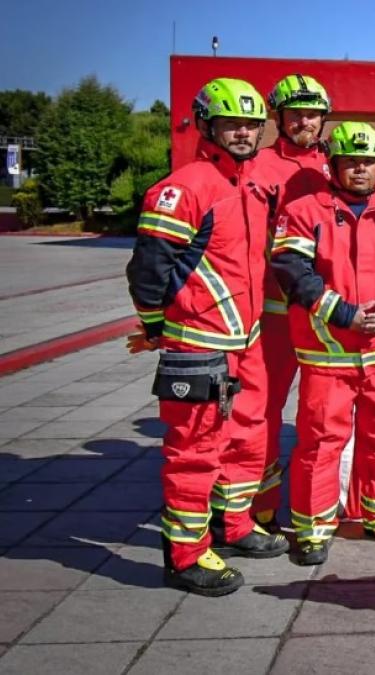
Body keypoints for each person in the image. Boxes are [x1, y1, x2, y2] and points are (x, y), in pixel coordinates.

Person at [126, 77, 288, 596]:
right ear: (206, 125)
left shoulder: (249, 183)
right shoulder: (186, 185)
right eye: (231, 123)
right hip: (199, 343)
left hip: (247, 341)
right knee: (195, 451)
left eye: (250, 124)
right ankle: (185, 556)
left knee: (247, 440)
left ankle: (234, 526)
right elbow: (148, 268)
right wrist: (154, 326)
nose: (243, 133)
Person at [271, 122, 375, 564]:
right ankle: (312, 529)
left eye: (367, 162)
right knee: (322, 441)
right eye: (350, 161)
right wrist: (343, 313)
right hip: (328, 352)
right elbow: (291, 270)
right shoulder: (304, 211)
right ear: (333, 164)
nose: (359, 169)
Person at [250, 73, 334, 533]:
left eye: (313, 114)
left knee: (325, 417)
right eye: (296, 114)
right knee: (263, 412)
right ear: (278, 118)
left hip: (332, 316)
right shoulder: (259, 167)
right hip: (277, 315)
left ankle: (324, 502)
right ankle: (256, 508)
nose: (305, 121)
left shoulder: (336, 163)